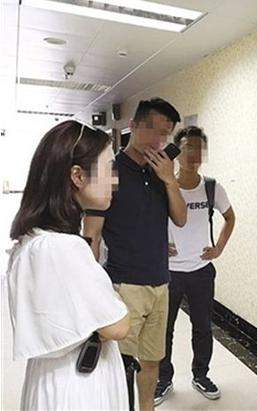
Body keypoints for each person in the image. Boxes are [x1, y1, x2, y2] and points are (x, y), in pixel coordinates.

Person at [6, 120, 130, 410]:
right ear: (77, 175)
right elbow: (118, 326)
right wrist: (111, 300)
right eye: (109, 169)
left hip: (53, 379)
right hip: (79, 388)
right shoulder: (63, 248)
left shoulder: (32, 240)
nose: (115, 181)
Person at [83, 97, 187, 411]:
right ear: (133, 126)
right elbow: (92, 235)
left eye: (165, 133)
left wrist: (169, 179)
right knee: (121, 365)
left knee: (152, 361)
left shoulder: (162, 172)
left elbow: (181, 218)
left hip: (160, 283)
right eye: (152, 129)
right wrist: (90, 291)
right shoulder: (108, 172)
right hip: (124, 285)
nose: (158, 139)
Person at [155, 126, 235, 405]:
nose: (194, 155)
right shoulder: (164, 185)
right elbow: (145, 221)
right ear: (176, 151)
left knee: (203, 327)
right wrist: (158, 244)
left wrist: (219, 248)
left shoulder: (211, 187)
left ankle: (201, 375)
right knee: (164, 329)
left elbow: (230, 218)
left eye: (199, 149)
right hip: (169, 272)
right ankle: (163, 379)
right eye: (188, 147)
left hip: (201, 271)